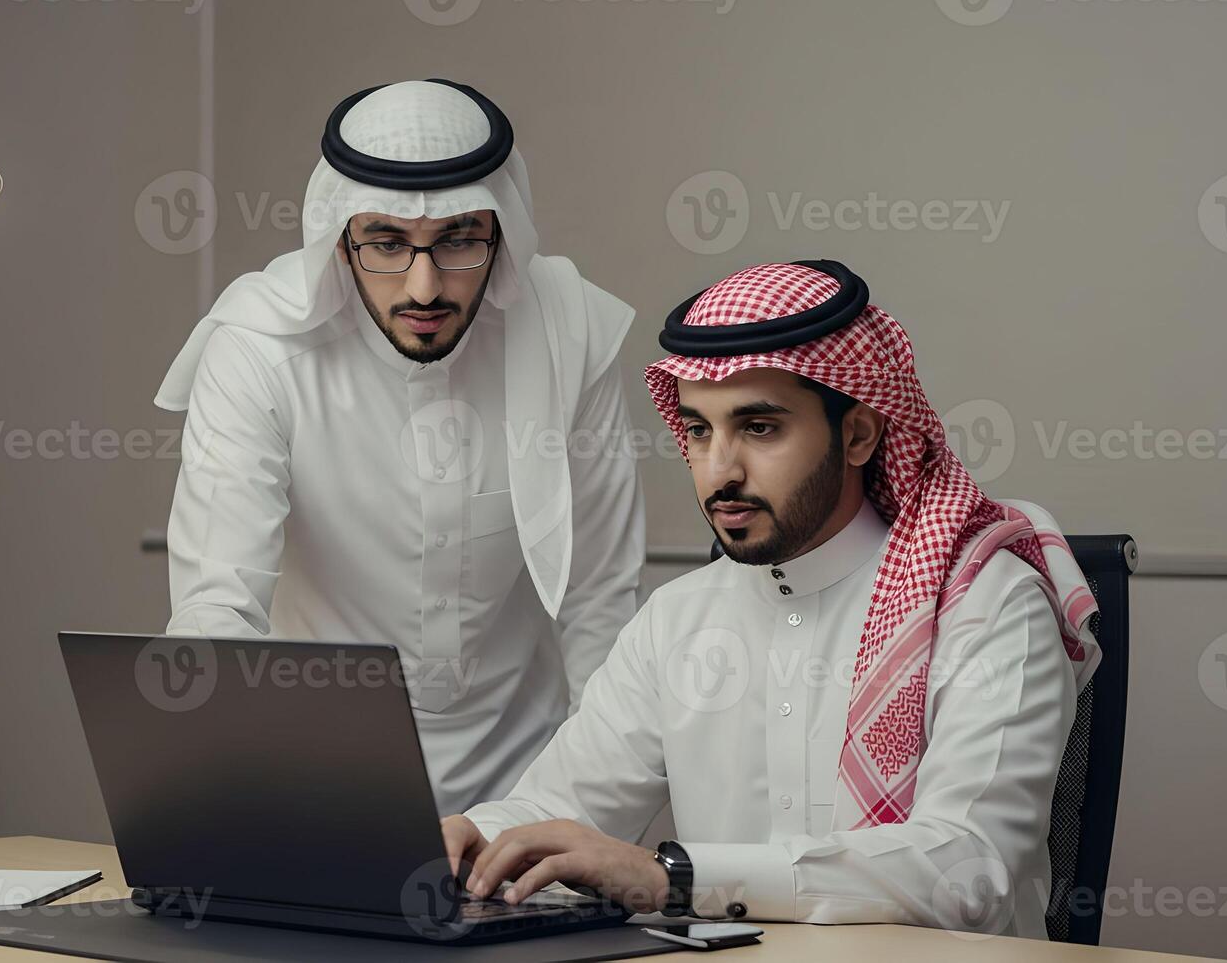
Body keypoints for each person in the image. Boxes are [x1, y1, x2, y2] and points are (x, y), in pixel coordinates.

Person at [443, 260, 1101, 938]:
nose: (719, 471)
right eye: (698, 430)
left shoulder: (985, 604)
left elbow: (968, 872)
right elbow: (558, 809)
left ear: (858, 434)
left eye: (759, 428)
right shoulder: (677, 620)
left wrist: (675, 879)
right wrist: (469, 836)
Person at [155, 79, 645, 814]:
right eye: (386, 242)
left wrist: (588, 824)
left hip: (528, 792)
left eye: (457, 241)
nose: (423, 287)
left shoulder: (567, 332)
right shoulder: (257, 349)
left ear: (502, 233)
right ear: (341, 241)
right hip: (310, 789)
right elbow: (219, 608)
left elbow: (600, 601)